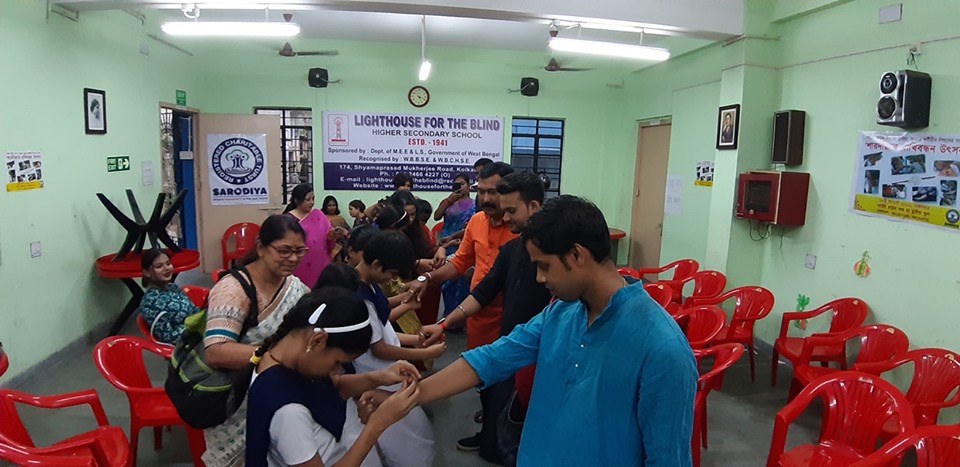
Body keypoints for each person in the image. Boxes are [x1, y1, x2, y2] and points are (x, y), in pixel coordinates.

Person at [407, 195, 698, 466]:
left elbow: (667, 458)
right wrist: (410, 396)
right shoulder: (561, 313)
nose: (539, 278)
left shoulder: (662, 347)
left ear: (576, 255)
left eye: (544, 266)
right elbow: (492, 358)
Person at [421, 171, 552, 464]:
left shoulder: (554, 254)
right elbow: (484, 291)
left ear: (533, 207)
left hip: (539, 349)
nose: (505, 217)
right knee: (499, 413)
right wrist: (445, 323)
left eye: (511, 211)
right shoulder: (512, 249)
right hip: (512, 341)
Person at [405, 162, 516, 451]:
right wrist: (427, 278)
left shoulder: (521, 228)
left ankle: (499, 437)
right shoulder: (477, 222)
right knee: (482, 376)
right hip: (476, 314)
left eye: (494, 192)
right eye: (483, 191)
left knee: (510, 383)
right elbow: (459, 263)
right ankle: (489, 428)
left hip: (513, 318)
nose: (486, 198)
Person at [245, 287, 422, 467]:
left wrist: (378, 378)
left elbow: (330, 388)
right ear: (318, 340)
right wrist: (377, 425)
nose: (337, 370)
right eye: (338, 362)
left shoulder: (292, 360)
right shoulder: (289, 413)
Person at [201, 214, 313, 467]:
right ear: (261, 248)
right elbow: (217, 352)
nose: (293, 258)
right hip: (237, 402)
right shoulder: (233, 289)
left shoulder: (294, 287)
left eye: (299, 251)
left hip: (276, 393)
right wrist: (274, 356)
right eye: (284, 251)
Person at [354, 230, 441, 467]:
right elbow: (379, 348)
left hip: (387, 367)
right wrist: (424, 352)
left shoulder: (370, 285)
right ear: (377, 265)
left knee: (409, 426)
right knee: (398, 435)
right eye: (391, 274)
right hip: (376, 370)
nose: (392, 280)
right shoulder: (360, 297)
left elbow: (382, 320)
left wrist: (407, 301)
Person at [433, 173, 476, 325]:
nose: (460, 187)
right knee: (446, 283)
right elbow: (436, 216)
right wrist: (448, 201)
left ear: (469, 186)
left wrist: (454, 238)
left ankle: (460, 321)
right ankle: (448, 318)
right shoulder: (448, 202)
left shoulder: (474, 205)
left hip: (463, 244)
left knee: (462, 282)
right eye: (456, 184)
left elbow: (472, 228)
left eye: (462, 184)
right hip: (445, 247)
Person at [284, 184, 343, 288]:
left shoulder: (319, 215)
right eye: (308, 199)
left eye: (313, 199)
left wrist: (332, 237)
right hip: (300, 266)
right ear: (297, 200)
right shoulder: (288, 220)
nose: (312, 202)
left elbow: (329, 243)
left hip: (321, 264)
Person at [139, 249, 199, 344]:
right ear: (147, 272)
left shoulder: (172, 287)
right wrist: (194, 325)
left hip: (198, 331)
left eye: (168, 263)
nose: (166, 268)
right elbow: (169, 338)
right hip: (186, 346)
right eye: (159, 266)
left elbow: (194, 309)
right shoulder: (151, 303)